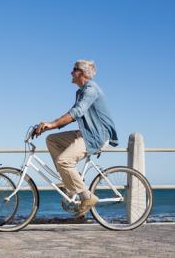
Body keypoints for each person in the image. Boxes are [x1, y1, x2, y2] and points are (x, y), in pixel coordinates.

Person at [34, 60, 118, 218]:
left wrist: (52, 124)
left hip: (97, 136)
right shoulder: (80, 92)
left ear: (83, 73)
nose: (71, 72)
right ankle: (71, 182)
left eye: (74, 69)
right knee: (52, 140)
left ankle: (87, 197)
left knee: (64, 161)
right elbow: (73, 114)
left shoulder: (91, 89)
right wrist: (49, 127)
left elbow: (76, 112)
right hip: (86, 133)